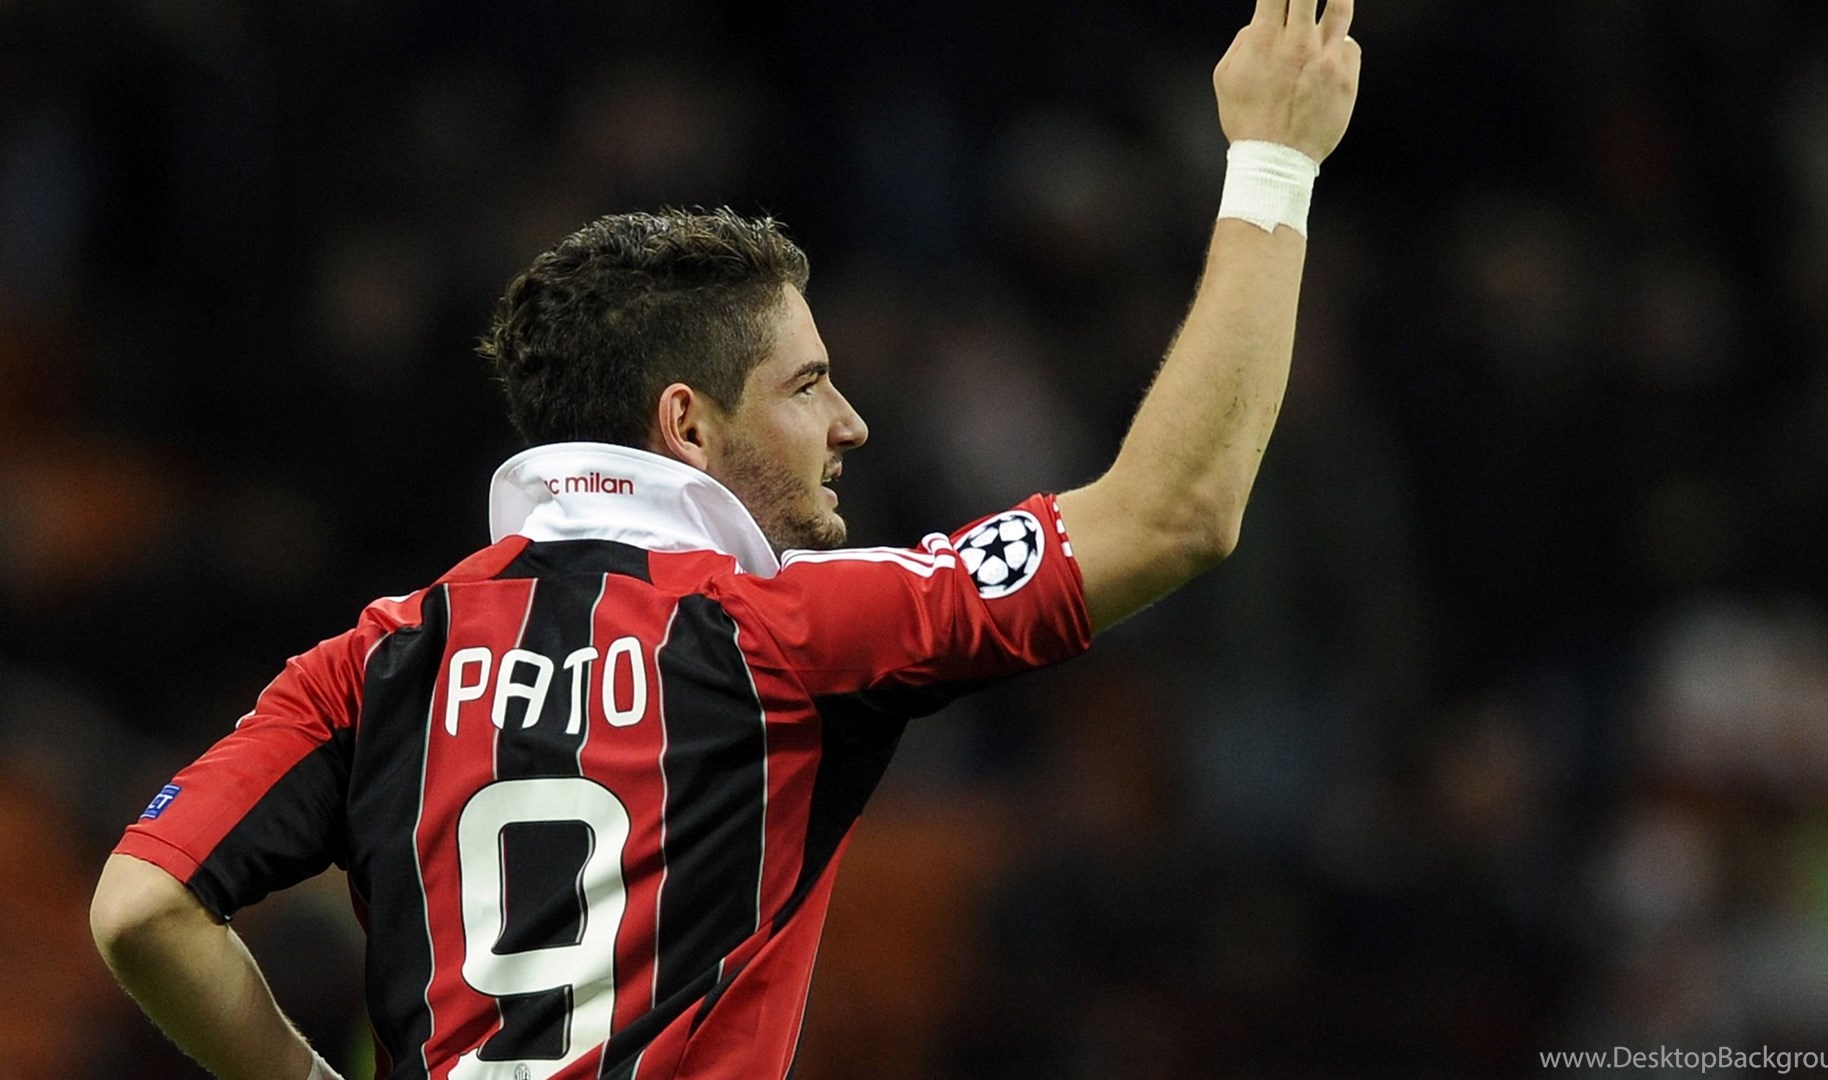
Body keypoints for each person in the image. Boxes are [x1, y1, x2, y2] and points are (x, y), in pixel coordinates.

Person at [88, 1, 1362, 1077]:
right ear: (686, 425)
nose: (851, 423)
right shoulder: (785, 636)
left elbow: (142, 908)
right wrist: (1272, 159)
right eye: (807, 386)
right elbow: (1176, 514)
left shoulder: (372, 665)